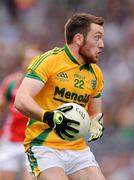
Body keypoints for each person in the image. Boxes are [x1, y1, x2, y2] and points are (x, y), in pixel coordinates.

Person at [15, 13, 106, 180]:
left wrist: (96, 124)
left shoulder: (96, 74)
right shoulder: (49, 61)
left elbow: (95, 112)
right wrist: (49, 117)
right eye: (97, 37)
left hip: (77, 149)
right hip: (44, 147)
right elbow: (21, 99)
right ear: (79, 38)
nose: (102, 45)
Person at [0, 46, 41, 180]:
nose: (30, 64)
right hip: (10, 139)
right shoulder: (11, 82)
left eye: (34, 60)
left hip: (33, 141)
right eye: (28, 60)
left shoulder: (46, 86)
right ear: (22, 62)